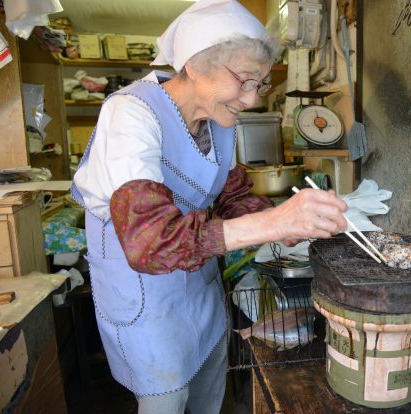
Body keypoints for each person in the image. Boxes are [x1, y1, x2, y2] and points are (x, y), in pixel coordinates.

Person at [71, 1, 348, 412]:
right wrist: (270, 223)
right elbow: (150, 243)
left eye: (260, 84)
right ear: (195, 66)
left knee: (208, 390)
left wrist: (285, 225)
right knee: (166, 397)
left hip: (199, 285)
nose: (251, 99)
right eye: (244, 81)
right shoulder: (131, 114)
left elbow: (229, 191)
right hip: (146, 291)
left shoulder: (218, 120)